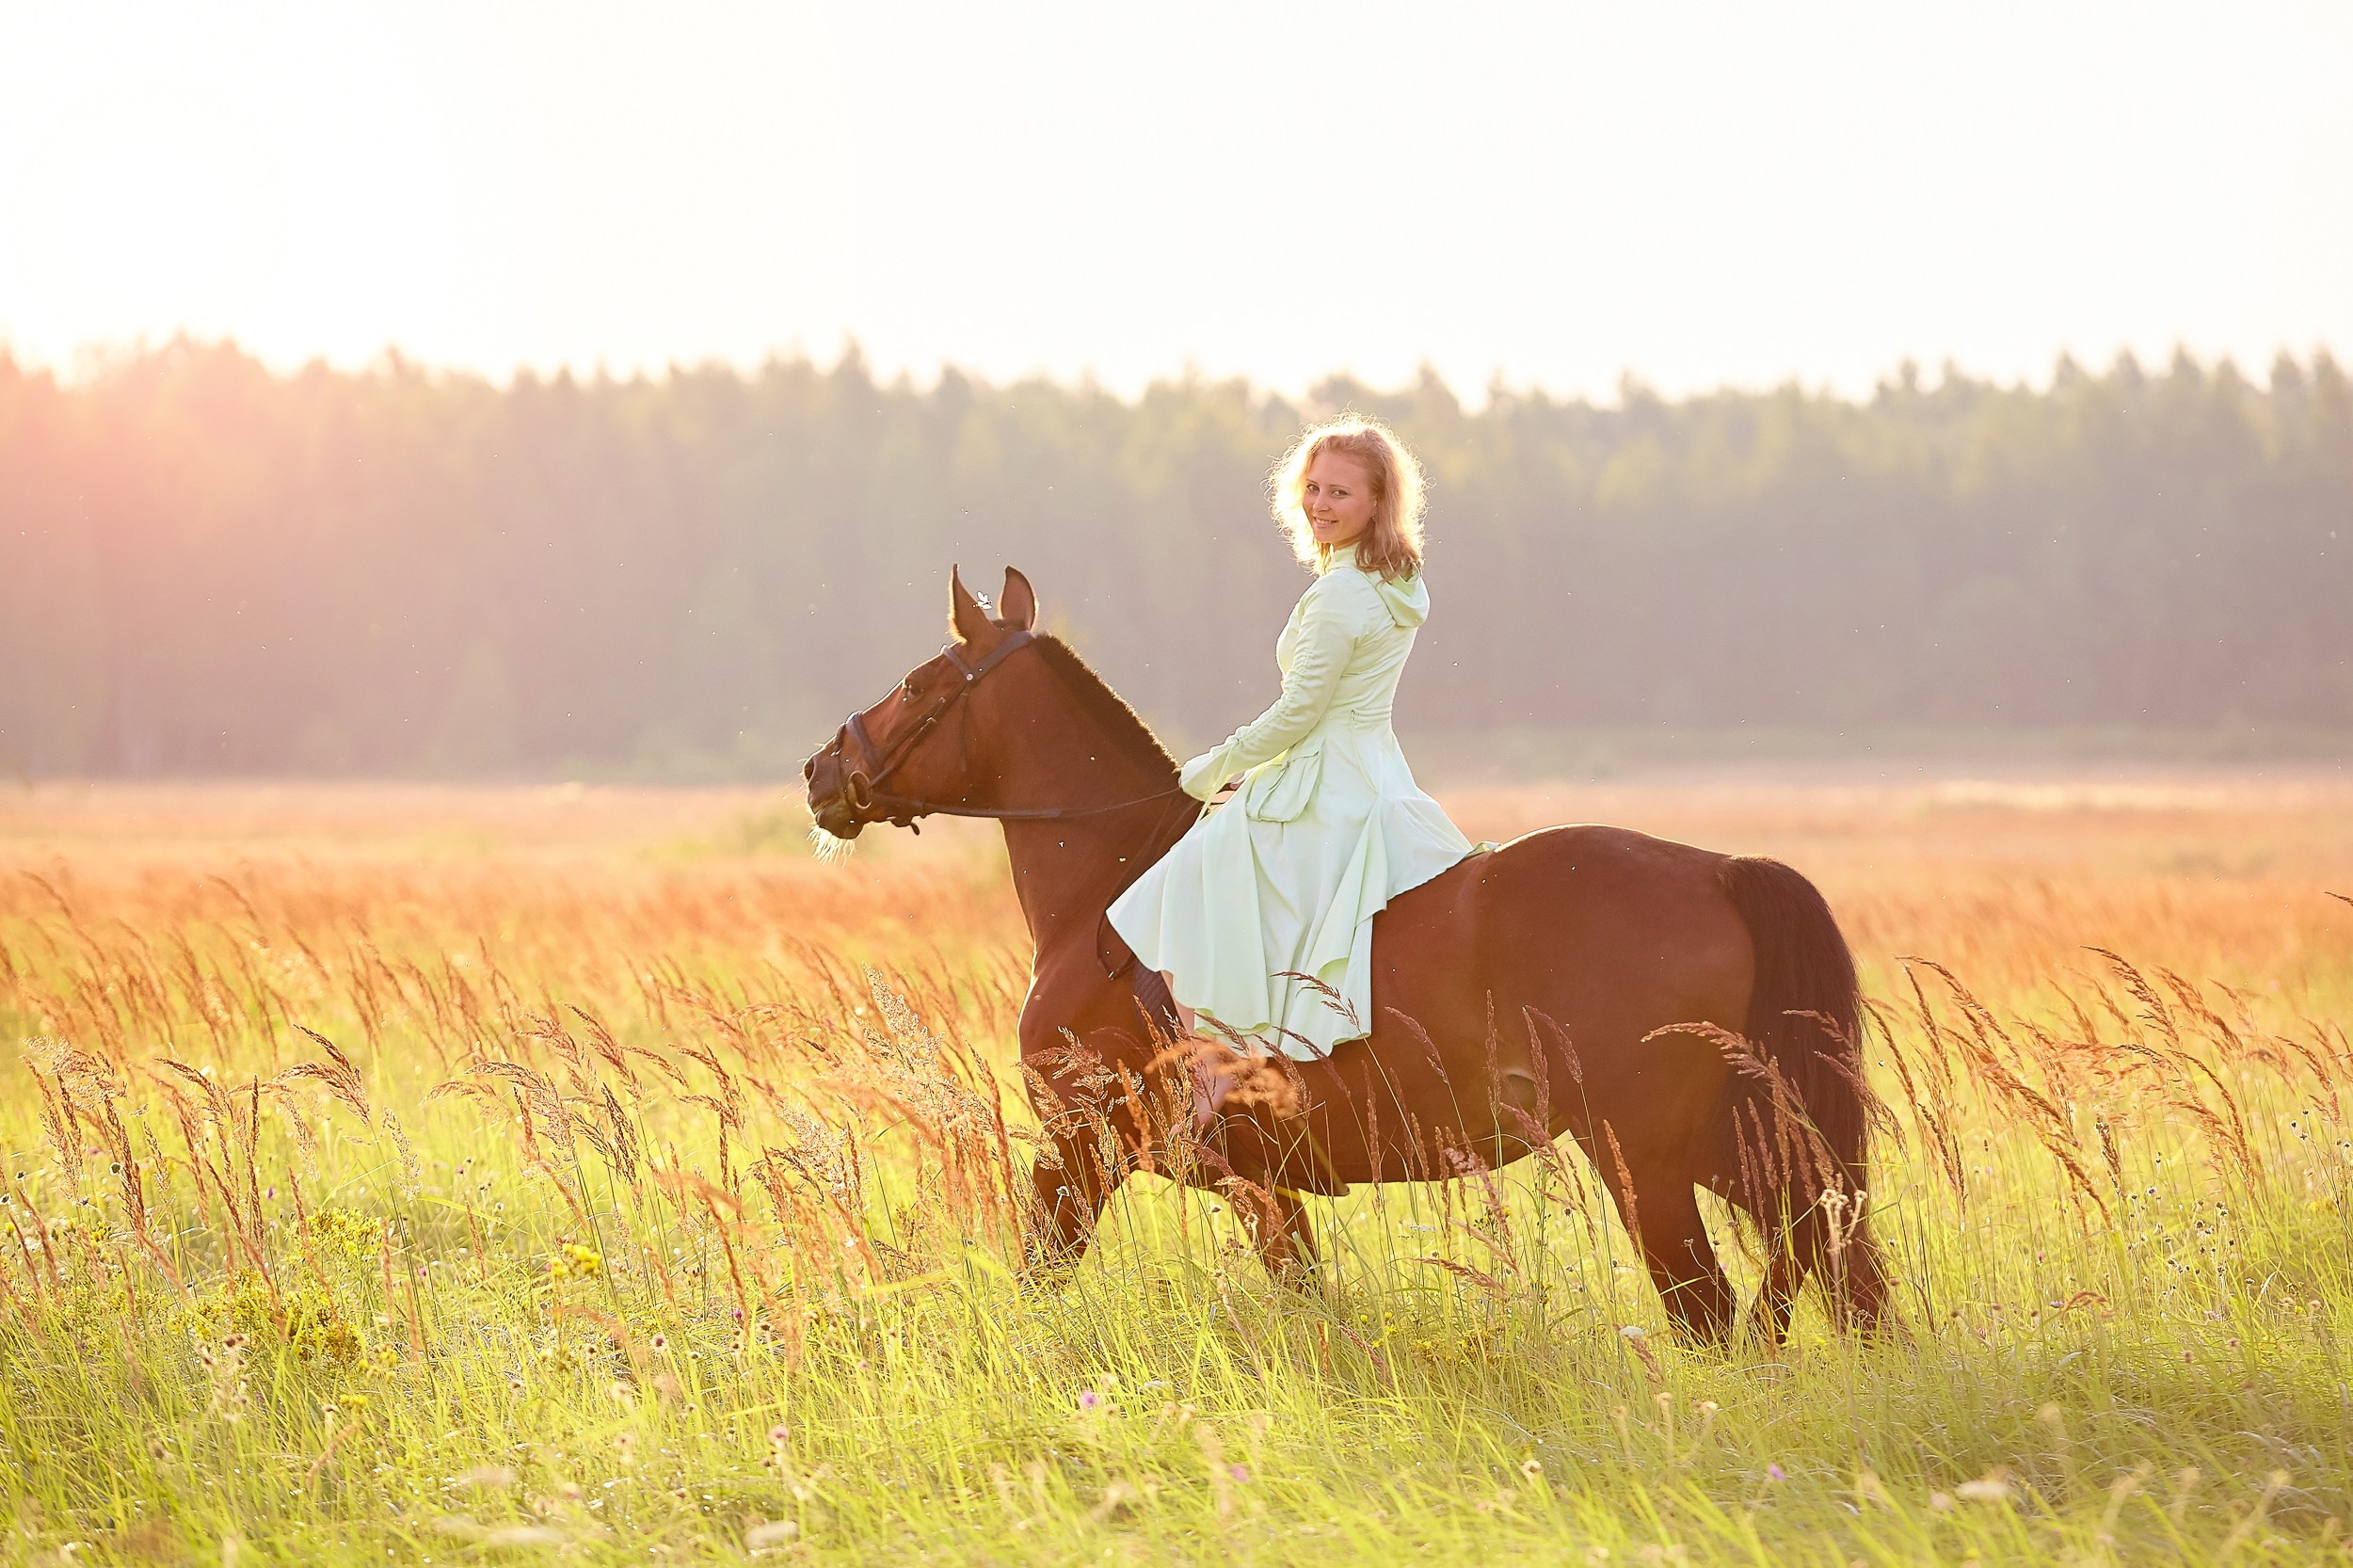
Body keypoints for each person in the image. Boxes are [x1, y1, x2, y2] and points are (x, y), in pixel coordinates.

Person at [1108, 415, 1477, 1131]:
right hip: (1372, 774)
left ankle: (1217, 1083)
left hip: (1328, 783)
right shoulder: (1391, 583)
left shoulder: (1340, 594)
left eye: (1341, 492)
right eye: (1312, 487)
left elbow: (1302, 710)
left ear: (1377, 503)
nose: (1320, 505)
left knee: (1181, 888)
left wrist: (1208, 770)